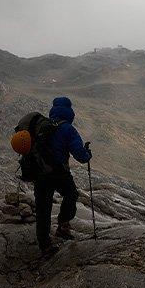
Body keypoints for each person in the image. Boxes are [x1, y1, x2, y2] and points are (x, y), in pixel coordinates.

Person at [34, 97, 92, 252]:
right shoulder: (67, 129)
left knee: (43, 209)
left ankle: (44, 244)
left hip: (39, 174)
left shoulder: (41, 126)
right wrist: (87, 154)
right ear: (69, 112)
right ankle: (63, 225)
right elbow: (81, 156)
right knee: (71, 194)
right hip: (59, 174)